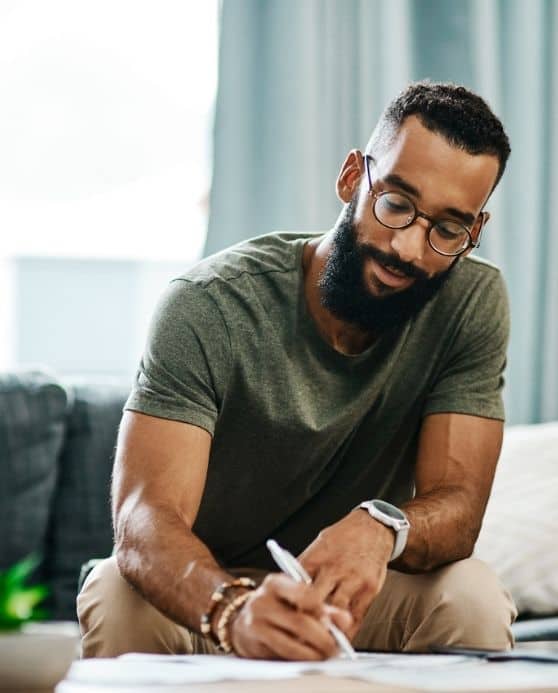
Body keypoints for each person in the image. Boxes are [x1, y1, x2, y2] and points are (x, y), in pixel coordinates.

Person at [78, 81, 517, 660]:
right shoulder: (208, 304)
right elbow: (144, 519)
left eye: (447, 229)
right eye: (395, 204)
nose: (409, 249)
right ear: (352, 179)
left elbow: (458, 508)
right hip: (208, 590)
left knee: (471, 595)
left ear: (474, 232)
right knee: (116, 589)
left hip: (349, 598)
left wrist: (382, 526)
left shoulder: (470, 302)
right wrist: (231, 610)